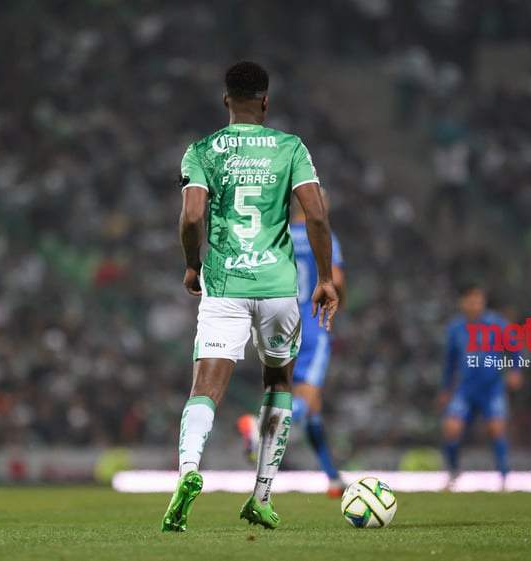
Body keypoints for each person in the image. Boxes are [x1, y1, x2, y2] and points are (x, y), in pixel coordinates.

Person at [161, 61, 339, 532]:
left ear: (226, 101)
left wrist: (192, 263)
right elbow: (317, 218)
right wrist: (324, 278)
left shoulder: (201, 151)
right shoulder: (290, 147)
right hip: (280, 288)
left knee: (207, 388)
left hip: (225, 286)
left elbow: (192, 217)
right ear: (265, 100)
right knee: (279, 384)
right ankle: (260, 495)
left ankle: (189, 471)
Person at [238, 189, 347, 498]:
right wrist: (342, 300)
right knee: (306, 401)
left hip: (279, 322)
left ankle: (333, 478)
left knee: (308, 407)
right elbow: (335, 279)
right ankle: (260, 431)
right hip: (313, 325)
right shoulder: (322, 233)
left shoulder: (277, 233)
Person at [437, 283, 522, 491]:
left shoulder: (497, 323)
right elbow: (450, 362)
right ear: (462, 302)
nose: (475, 304)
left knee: (496, 429)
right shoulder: (455, 328)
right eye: (471, 300)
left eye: (478, 299)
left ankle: (503, 478)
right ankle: (453, 472)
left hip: (492, 389)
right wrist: (446, 388)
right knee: (451, 428)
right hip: (465, 390)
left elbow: (515, 348)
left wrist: (515, 371)